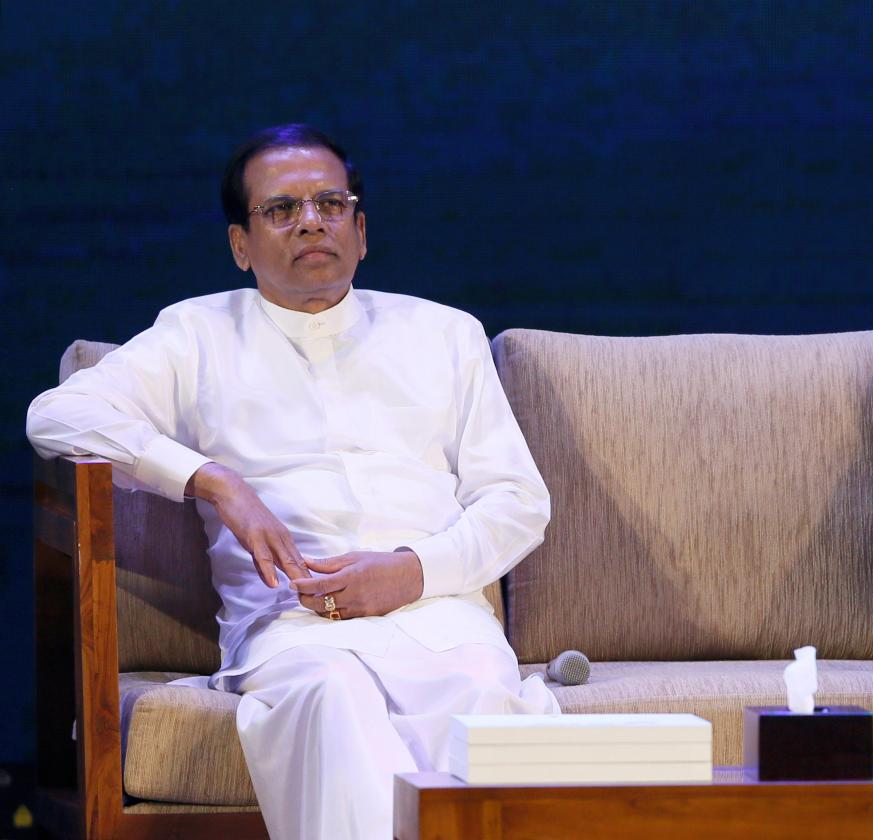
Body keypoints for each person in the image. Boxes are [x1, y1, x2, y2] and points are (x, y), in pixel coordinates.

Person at [27, 124, 559, 839]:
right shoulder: (196, 335)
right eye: (282, 209)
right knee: (330, 698)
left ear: (361, 230)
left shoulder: (444, 335)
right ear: (241, 245)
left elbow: (519, 503)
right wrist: (213, 480)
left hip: (444, 624)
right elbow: (58, 414)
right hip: (295, 633)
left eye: (331, 204)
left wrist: (412, 572)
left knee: (484, 704)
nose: (311, 221)